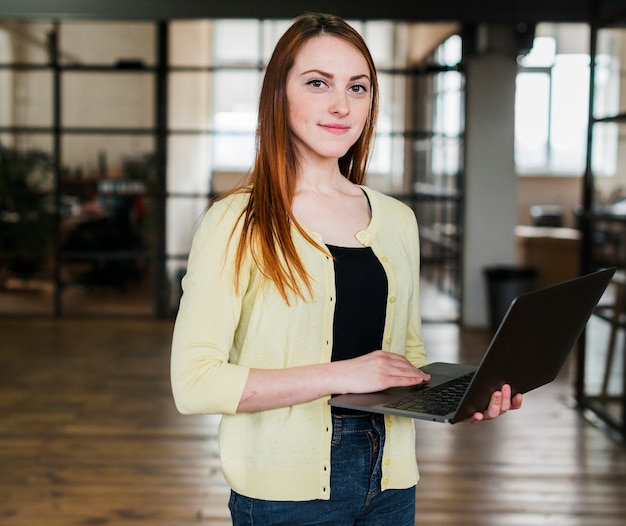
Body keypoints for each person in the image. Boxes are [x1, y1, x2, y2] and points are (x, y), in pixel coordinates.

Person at [170, 12, 523, 526]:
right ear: (279, 95)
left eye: (358, 88)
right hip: (285, 492)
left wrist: (460, 398)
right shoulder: (237, 221)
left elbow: (406, 358)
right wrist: (346, 374)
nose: (342, 105)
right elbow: (195, 382)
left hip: (392, 478)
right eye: (318, 83)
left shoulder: (396, 219)